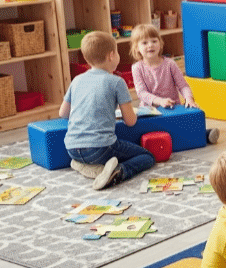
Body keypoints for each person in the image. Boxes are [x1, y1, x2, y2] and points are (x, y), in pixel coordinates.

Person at [59, 31, 155, 190]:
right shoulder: (117, 82)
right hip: (100, 149)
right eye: (117, 52)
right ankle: (118, 172)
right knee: (147, 156)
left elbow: (63, 113)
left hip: (71, 148)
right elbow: (130, 121)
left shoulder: (77, 80)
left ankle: (86, 166)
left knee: (97, 153)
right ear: (111, 56)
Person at [130, 24, 219, 144]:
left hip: (173, 108)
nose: (150, 45)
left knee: (185, 123)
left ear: (160, 43)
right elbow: (141, 93)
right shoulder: (137, 68)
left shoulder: (170, 64)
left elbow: (183, 85)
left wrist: (189, 99)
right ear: (137, 48)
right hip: (150, 111)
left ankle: (204, 134)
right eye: (144, 43)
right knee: (147, 130)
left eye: (154, 41)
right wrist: (160, 101)